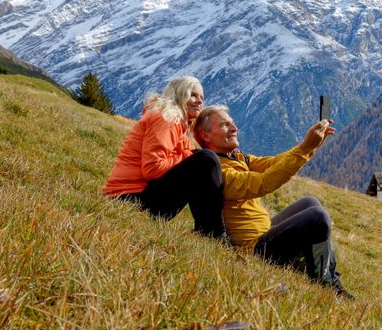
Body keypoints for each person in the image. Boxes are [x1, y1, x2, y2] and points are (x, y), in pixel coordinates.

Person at [192, 105, 351, 298]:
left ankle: (322, 270)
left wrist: (309, 146)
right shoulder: (218, 171)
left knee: (310, 202)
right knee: (317, 217)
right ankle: (327, 283)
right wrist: (306, 147)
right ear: (206, 136)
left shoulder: (238, 158)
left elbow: (274, 163)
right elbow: (264, 182)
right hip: (256, 248)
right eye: (225, 125)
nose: (234, 128)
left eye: (232, 123)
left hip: (266, 232)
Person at [103, 76, 227, 239]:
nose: (199, 102)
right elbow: (153, 169)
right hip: (130, 199)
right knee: (206, 160)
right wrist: (187, 157)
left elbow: (184, 156)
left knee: (203, 159)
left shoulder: (177, 123)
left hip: (138, 195)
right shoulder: (166, 119)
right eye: (193, 95)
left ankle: (211, 230)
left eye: (202, 98)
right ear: (179, 95)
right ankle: (214, 233)